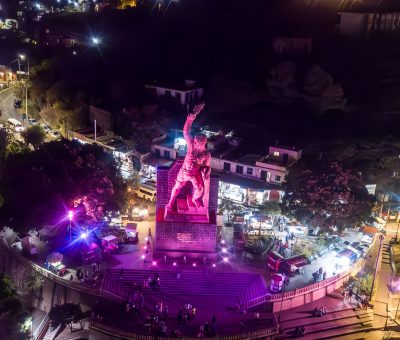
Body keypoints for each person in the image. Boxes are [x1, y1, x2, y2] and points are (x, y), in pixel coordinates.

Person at [165, 103, 210, 211]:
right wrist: (191, 117)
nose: (194, 143)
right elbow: (186, 132)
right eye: (194, 142)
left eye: (196, 143)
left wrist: (205, 171)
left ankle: (195, 199)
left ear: (202, 144)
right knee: (176, 187)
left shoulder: (206, 154)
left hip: (194, 174)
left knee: (200, 189)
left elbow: (207, 167)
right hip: (183, 172)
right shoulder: (191, 147)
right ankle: (170, 203)